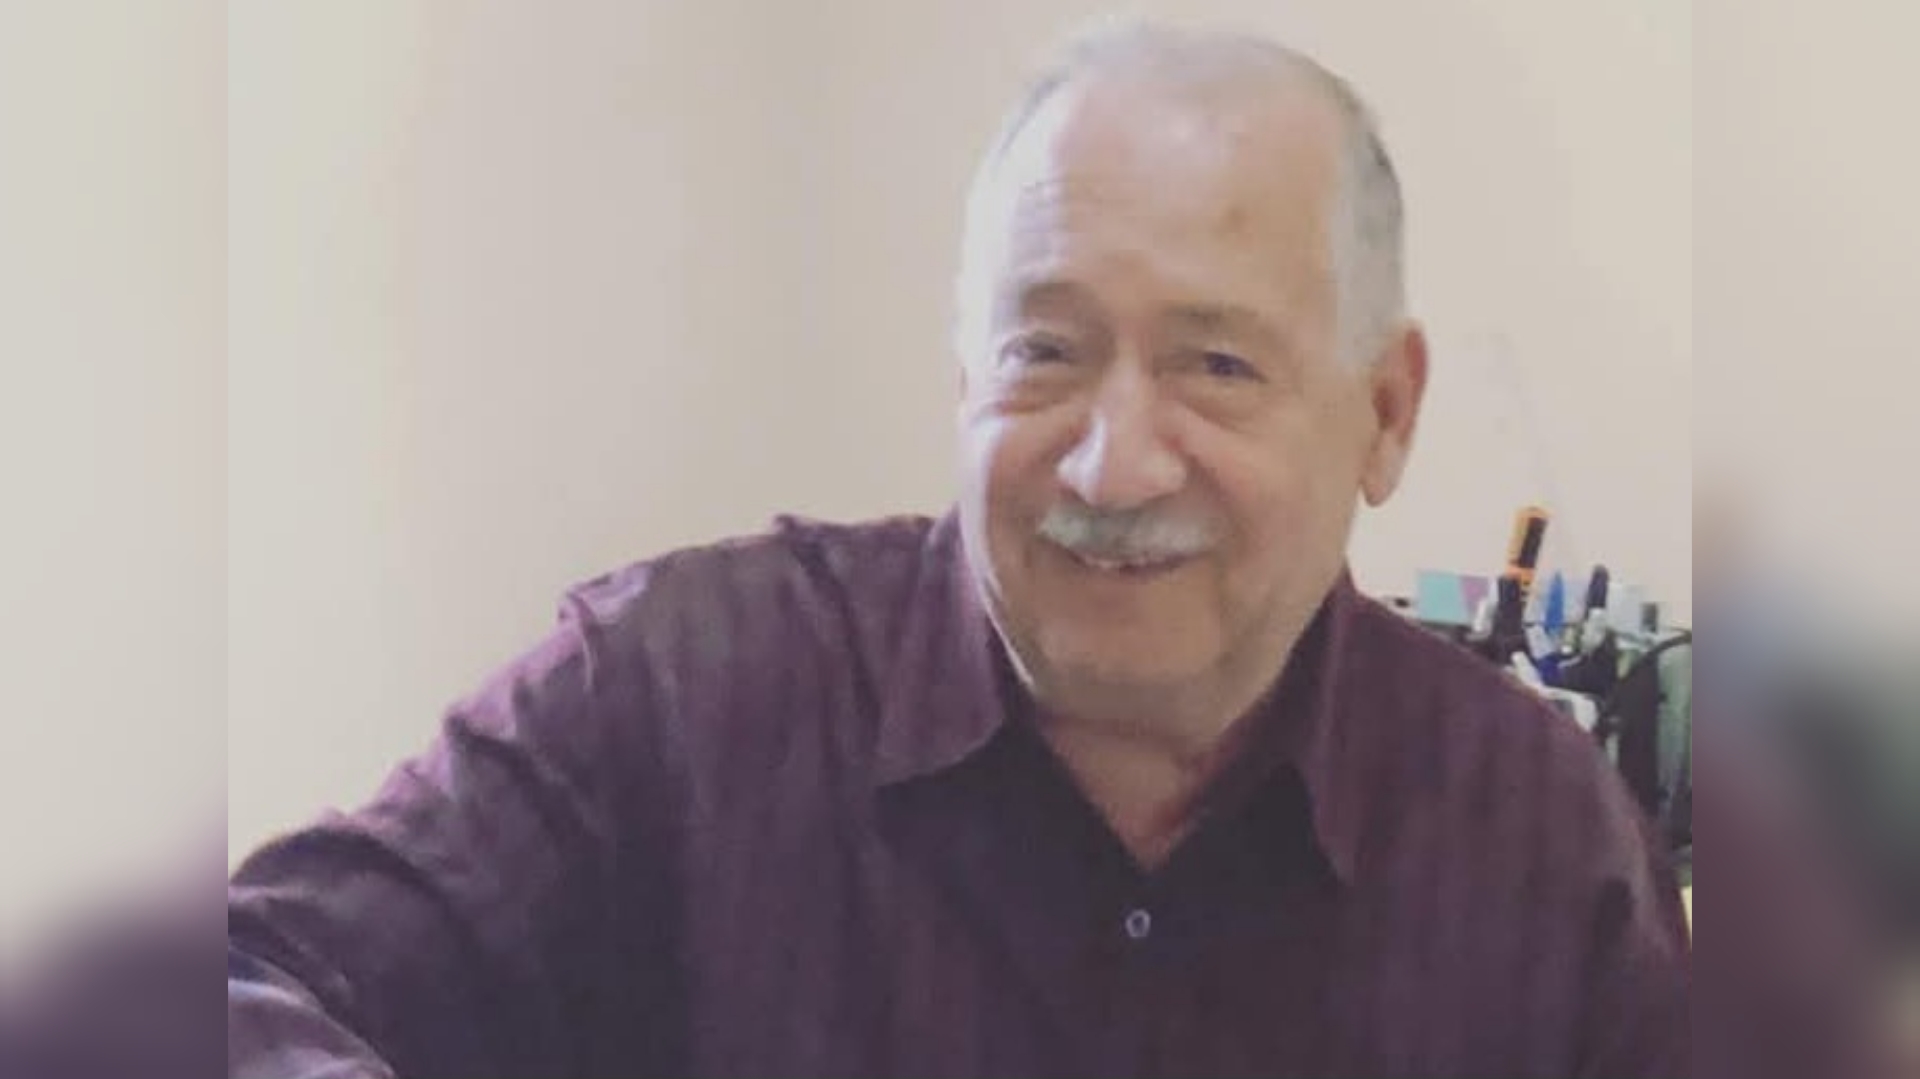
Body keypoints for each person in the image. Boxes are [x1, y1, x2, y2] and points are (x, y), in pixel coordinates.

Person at [226, 21, 1689, 1078]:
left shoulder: (1542, 850)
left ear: (1385, 412)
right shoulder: (677, 699)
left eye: (1217, 366)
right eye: (1046, 352)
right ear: (963, 377)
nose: (1114, 464)